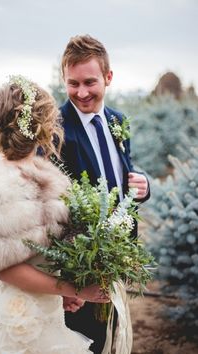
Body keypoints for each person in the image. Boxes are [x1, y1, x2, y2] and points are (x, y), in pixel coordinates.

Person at [0, 75, 110, 354]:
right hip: (19, 317)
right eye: (52, 118)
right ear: (40, 125)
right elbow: (7, 269)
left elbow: (41, 254)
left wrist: (64, 294)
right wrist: (74, 289)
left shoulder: (46, 174)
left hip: (48, 310)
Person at [59, 35, 150, 354]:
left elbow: (123, 171)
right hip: (77, 268)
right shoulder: (55, 128)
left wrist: (143, 184)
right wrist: (62, 284)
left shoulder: (117, 121)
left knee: (106, 338)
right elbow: (47, 208)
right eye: (73, 84)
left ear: (108, 77)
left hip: (115, 259)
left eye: (89, 82)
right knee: (79, 344)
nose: (81, 93)